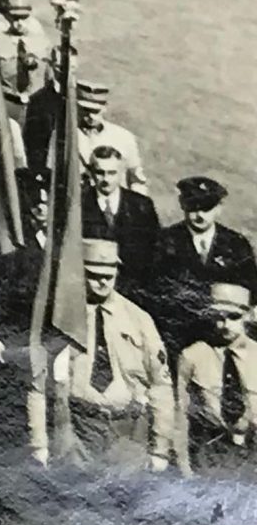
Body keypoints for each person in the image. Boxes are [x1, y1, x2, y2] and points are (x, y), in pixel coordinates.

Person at [28, 237, 175, 472]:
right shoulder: (62, 321)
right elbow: (38, 385)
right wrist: (39, 443)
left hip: (128, 432)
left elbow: (161, 386)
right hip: (77, 430)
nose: (102, 282)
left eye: (109, 274)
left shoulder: (138, 319)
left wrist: (160, 448)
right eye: (94, 275)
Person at [153, 175, 257, 357]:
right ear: (181, 204)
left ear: (219, 208)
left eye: (207, 208)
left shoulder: (236, 244)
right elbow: (156, 290)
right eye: (192, 207)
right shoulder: (166, 241)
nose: (199, 215)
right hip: (180, 335)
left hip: (225, 334)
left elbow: (252, 290)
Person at [173, 282, 254, 475]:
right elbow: (180, 413)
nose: (226, 325)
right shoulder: (193, 356)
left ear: (248, 316)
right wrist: (184, 466)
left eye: (234, 317)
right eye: (219, 318)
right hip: (210, 455)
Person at [80, 142, 162, 290]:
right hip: (92, 285)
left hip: (134, 287)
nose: (106, 179)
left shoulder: (141, 206)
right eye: (100, 172)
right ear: (91, 172)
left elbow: (155, 250)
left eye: (112, 173)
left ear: (121, 172)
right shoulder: (79, 204)